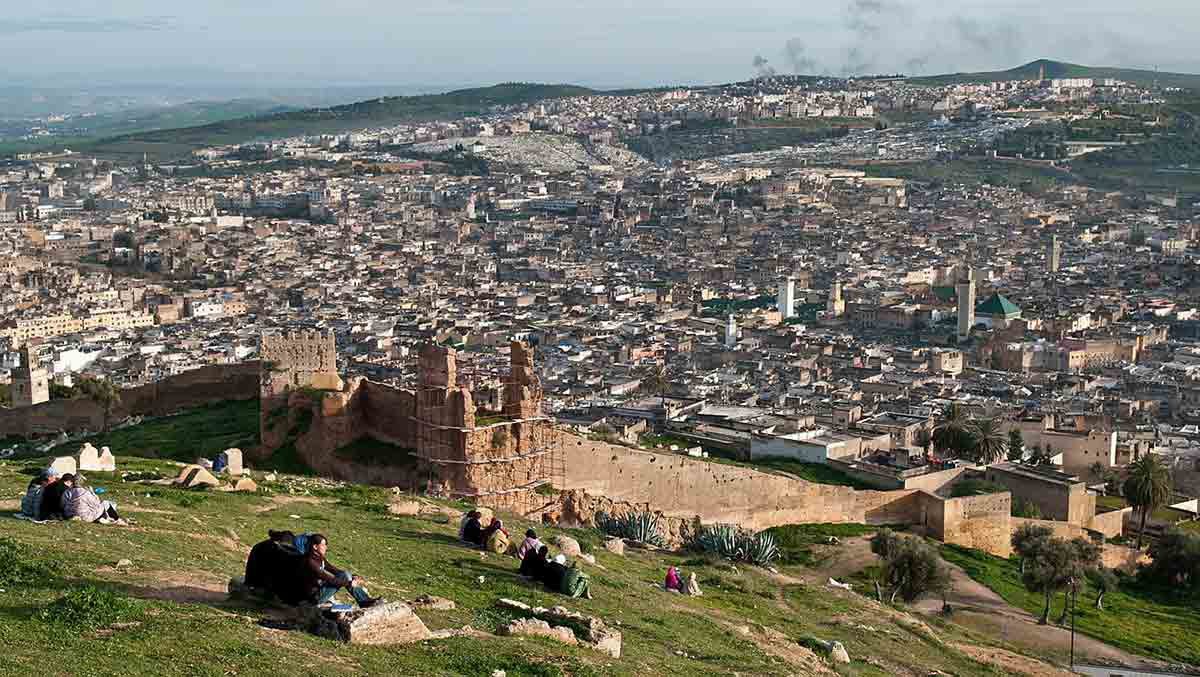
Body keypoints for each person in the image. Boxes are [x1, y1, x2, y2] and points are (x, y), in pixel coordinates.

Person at [301, 534, 381, 608]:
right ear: (315, 546)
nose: (326, 547)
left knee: (345, 574)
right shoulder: (310, 561)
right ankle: (364, 601)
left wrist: (352, 576)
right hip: (314, 598)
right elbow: (330, 579)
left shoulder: (319, 557)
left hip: (320, 590)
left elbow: (334, 570)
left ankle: (364, 601)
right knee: (344, 576)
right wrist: (349, 583)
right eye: (323, 545)